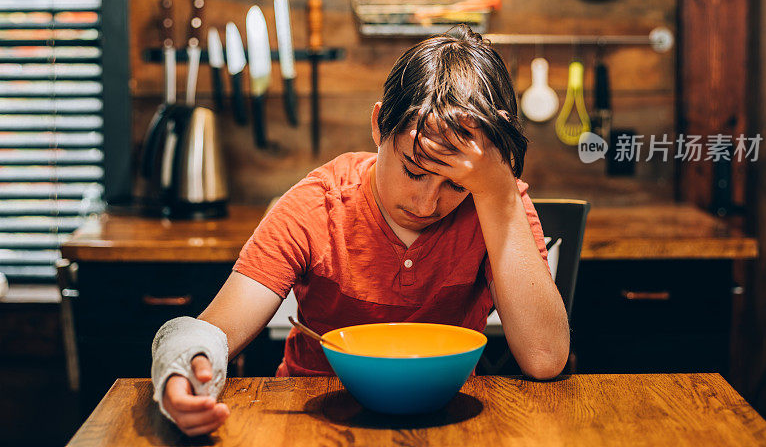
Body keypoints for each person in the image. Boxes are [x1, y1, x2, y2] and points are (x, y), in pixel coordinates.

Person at [150, 25, 570, 436]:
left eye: (456, 184)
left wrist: (497, 194)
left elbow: (545, 358)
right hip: (316, 415)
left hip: (445, 419)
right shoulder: (319, 202)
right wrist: (181, 368)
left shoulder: (497, 199)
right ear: (378, 124)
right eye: (413, 169)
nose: (426, 205)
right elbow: (213, 328)